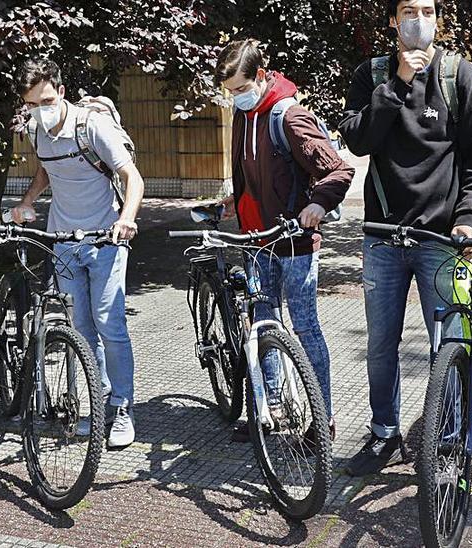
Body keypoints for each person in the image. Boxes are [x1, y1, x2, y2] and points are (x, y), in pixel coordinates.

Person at [338, 0, 472, 477]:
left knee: (448, 342)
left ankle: (449, 437)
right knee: (381, 342)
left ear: (438, 19)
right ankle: (384, 433)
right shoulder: (370, 75)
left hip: (442, 237)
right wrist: (398, 86)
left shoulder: (460, 75)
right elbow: (358, 139)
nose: (419, 19)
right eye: (409, 10)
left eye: (427, 10)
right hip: (384, 234)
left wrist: (469, 217)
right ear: (393, 20)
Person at [213, 39, 353, 442]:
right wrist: (235, 201)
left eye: (241, 89)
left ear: (260, 76)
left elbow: (338, 171)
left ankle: (320, 422)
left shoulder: (289, 116)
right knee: (262, 323)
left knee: (305, 326)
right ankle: (269, 409)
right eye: (230, 92)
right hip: (256, 240)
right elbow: (254, 171)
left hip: (292, 242)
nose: (236, 98)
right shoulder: (244, 115)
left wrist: (319, 205)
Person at [11, 58, 145, 449]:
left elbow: (132, 177)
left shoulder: (92, 126)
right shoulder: (37, 132)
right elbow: (46, 171)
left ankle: (122, 407)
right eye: (32, 105)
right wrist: (28, 202)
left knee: (110, 324)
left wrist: (127, 219)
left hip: (105, 239)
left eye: (47, 100)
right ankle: (100, 406)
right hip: (64, 241)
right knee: (81, 329)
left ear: (61, 91)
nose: (41, 110)